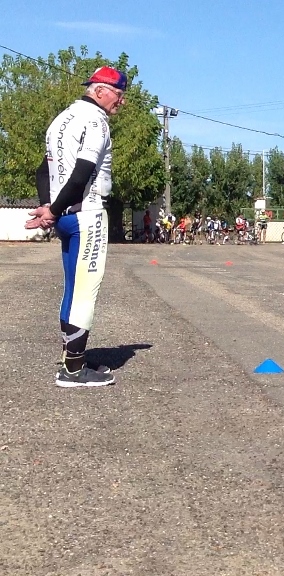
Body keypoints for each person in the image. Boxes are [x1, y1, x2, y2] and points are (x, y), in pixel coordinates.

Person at [24, 65, 127, 387]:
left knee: (72, 288)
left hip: (67, 216)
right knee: (85, 292)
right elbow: (81, 173)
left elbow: (44, 170)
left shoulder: (62, 119)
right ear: (99, 91)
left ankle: (74, 357)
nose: (120, 103)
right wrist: (52, 210)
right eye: (118, 95)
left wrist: (48, 206)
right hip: (87, 214)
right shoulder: (96, 122)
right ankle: (72, 371)